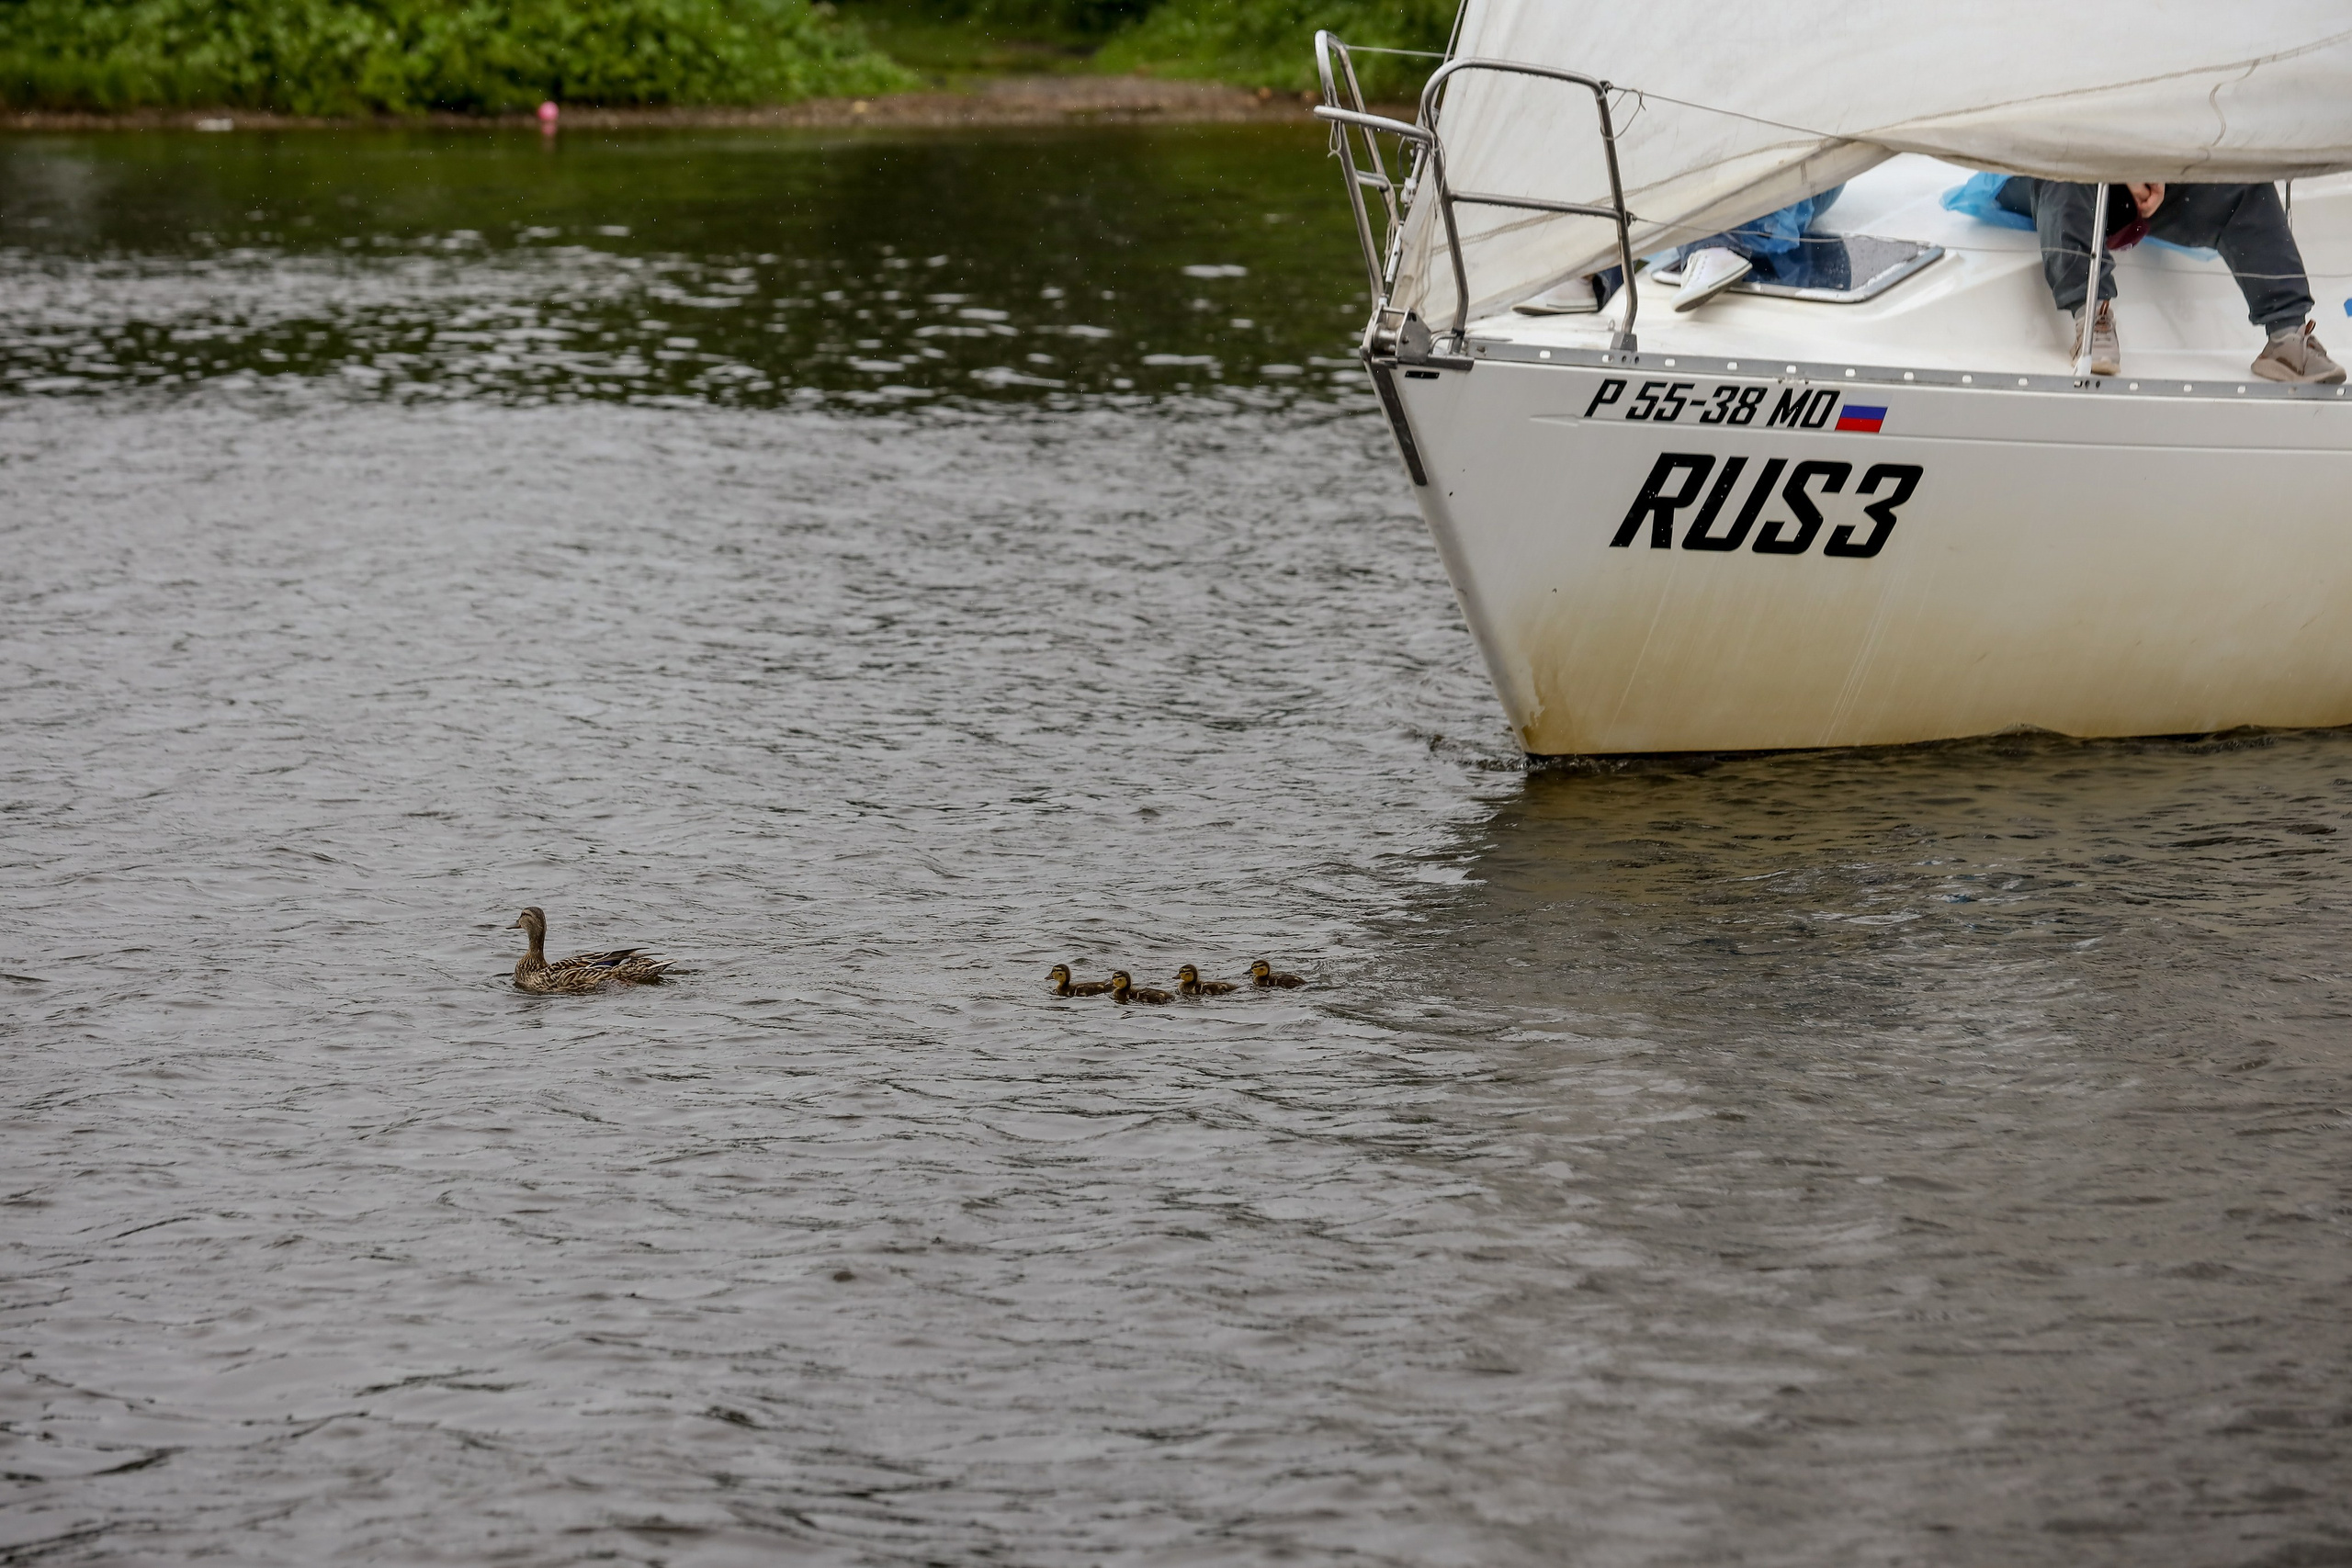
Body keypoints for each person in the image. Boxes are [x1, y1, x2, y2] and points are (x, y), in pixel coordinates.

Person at [1996, 178, 2344, 384]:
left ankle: (2287, 337)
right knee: (2068, 163)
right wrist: (2124, 162)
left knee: (2245, 186)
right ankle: (2092, 319)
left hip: (2145, 172)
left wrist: (2161, 165)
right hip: (2044, 161)